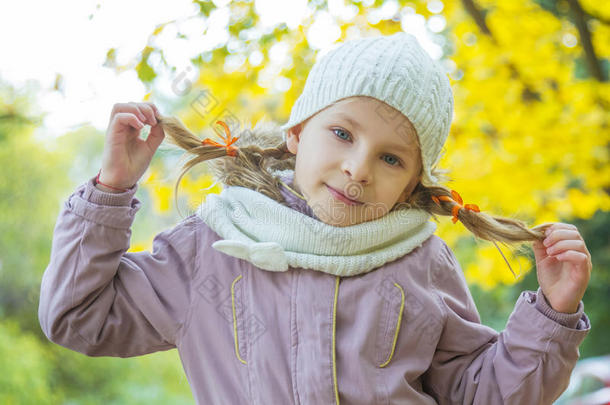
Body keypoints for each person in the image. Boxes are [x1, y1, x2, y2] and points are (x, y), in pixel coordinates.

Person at [38, 32, 592, 404]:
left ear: (412, 185)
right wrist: (110, 191)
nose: (357, 169)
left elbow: (480, 392)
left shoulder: (420, 262)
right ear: (298, 133)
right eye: (343, 133)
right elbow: (78, 315)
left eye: (391, 158)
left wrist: (552, 314)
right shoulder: (213, 246)